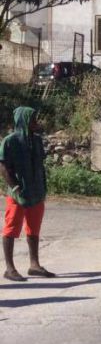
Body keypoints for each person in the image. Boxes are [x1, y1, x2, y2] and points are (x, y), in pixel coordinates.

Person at [1, 107, 53, 281]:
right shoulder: (10, 141)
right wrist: (15, 188)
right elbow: (4, 167)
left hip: (36, 191)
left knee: (33, 228)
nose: (35, 122)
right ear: (23, 120)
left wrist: (43, 187)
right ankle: (9, 268)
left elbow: (40, 165)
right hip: (18, 193)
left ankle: (34, 265)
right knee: (11, 229)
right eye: (32, 119)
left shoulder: (37, 140)